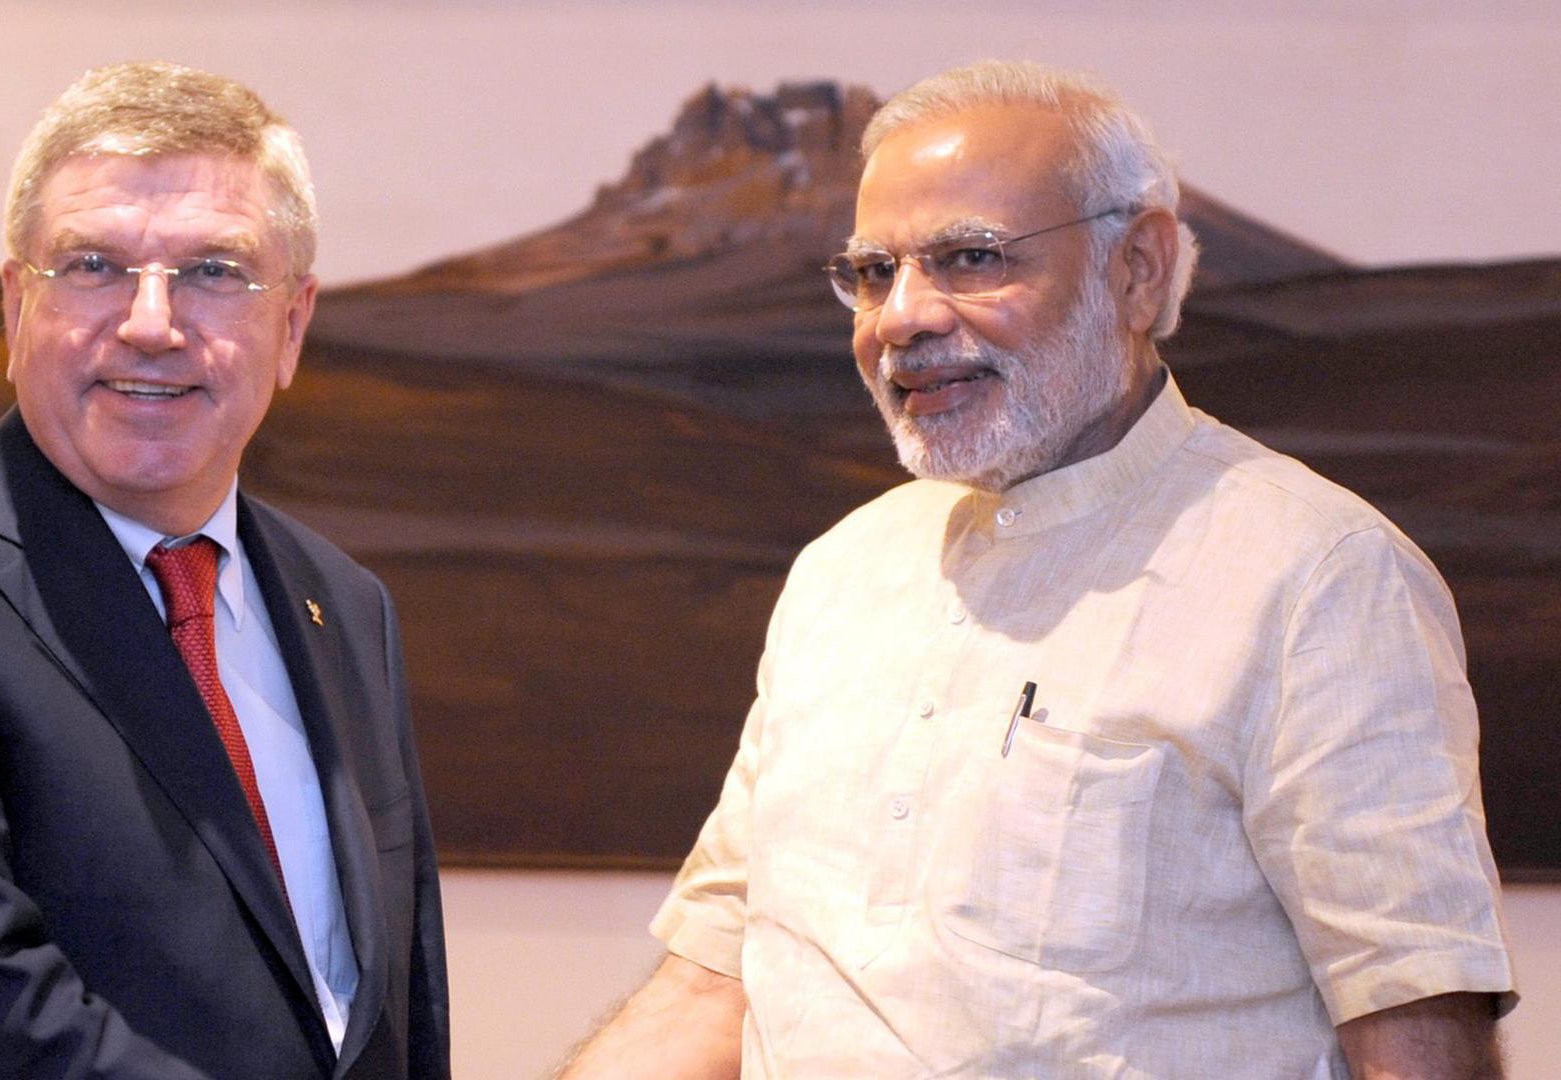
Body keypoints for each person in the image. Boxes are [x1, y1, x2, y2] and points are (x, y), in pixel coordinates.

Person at [561, 60, 1514, 1079]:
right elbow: (718, 977)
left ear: (1139, 270)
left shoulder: (1318, 575)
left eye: (970, 258)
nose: (901, 318)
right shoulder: (843, 571)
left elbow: (1412, 1027)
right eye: (874, 273)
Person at [0, 62, 448, 1079]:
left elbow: (393, 1010)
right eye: (92, 266)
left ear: (291, 326)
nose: (151, 322)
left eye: (214, 270)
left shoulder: (342, 603)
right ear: (11, 307)